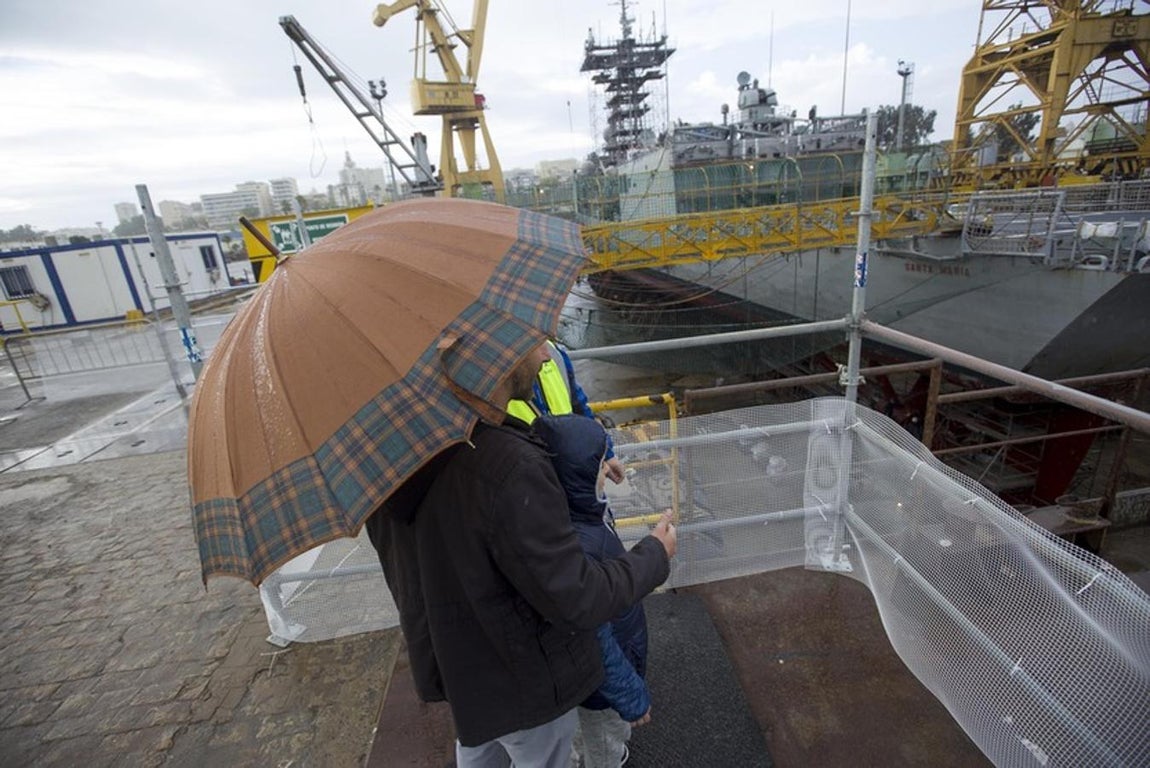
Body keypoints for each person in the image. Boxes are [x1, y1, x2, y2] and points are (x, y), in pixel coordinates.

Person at [366, 346, 677, 768]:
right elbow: (577, 598)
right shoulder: (510, 467)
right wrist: (655, 554)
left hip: (461, 669)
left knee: (479, 754)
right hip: (524, 680)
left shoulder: (392, 457)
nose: (547, 355)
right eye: (535, 341)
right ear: (497, 349)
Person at [534, 413, 654, 768]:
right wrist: (630, 693)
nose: (608, 470)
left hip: (578, 679)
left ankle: (575, 756)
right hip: (601, 685)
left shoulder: (564, 519)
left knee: (577, 729)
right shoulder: (583, 546)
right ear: (580, 477)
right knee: (604, 739)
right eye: (601, 464)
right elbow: (594, 634)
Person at [508, 340, 625, 483]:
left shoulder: (554, 353)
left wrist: (605, 453)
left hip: (569, 466)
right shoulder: (488, 379)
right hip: (528, 476)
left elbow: (579, 408)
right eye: (537, 344)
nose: (547, 355)